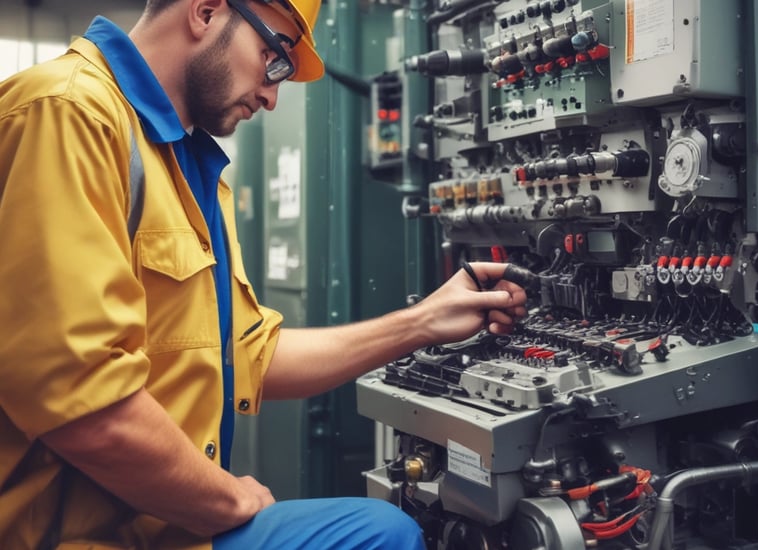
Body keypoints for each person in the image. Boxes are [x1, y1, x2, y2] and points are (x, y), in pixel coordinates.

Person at [0, 0, 528, 548]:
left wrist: (423, 322)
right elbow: (83, 402)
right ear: (205, 12)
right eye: (275, 59)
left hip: (160, 524)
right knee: (384, 535)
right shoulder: (66, 113)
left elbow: (247, 353)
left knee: (383, 528)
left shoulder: (187, 166)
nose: (273, 97)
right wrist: (225, 498)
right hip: (83, 535)